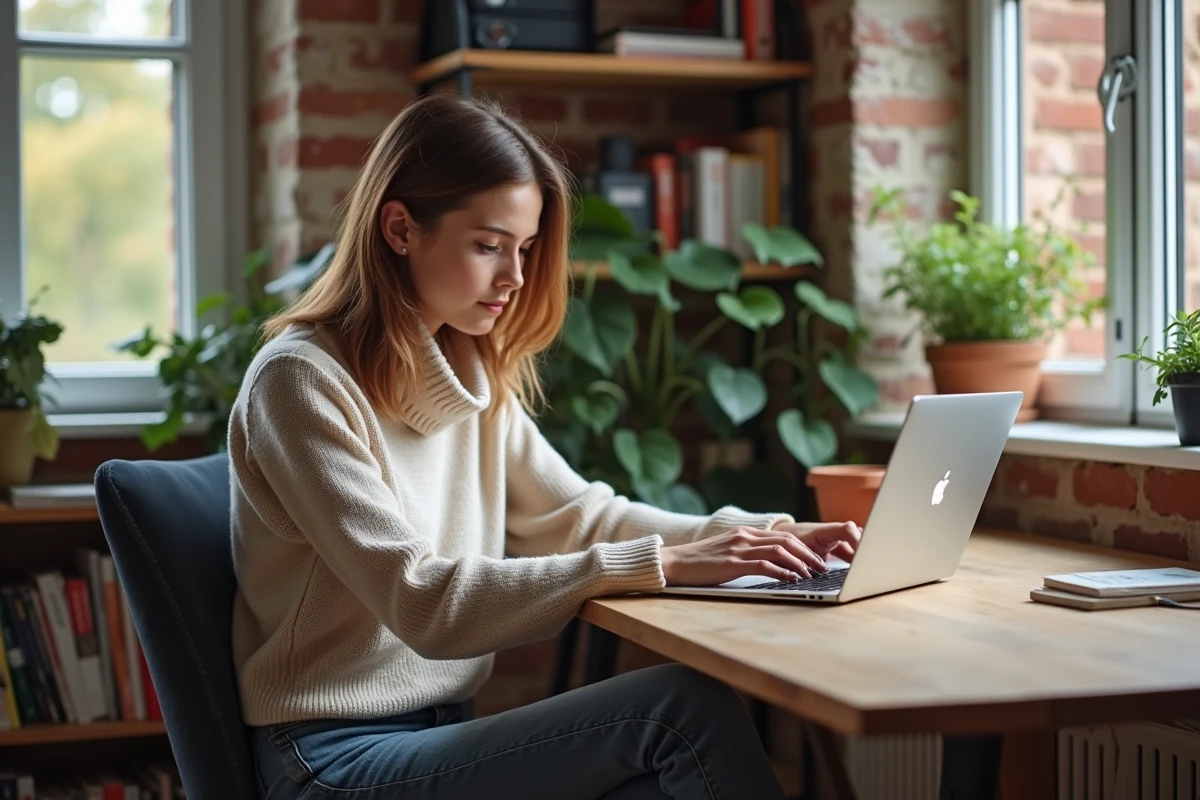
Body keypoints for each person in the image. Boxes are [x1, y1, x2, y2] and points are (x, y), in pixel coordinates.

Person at [231, 92, 861, 800]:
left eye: (524, 249)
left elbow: (582, 518)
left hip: (438, 731)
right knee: (681, 716)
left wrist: (769, 539)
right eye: (488, 245)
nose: (516, 278)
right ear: (400, 229)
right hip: (328, 758)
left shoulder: (468, 372)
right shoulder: (298, 381)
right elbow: (423, 603)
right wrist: (667, 562)